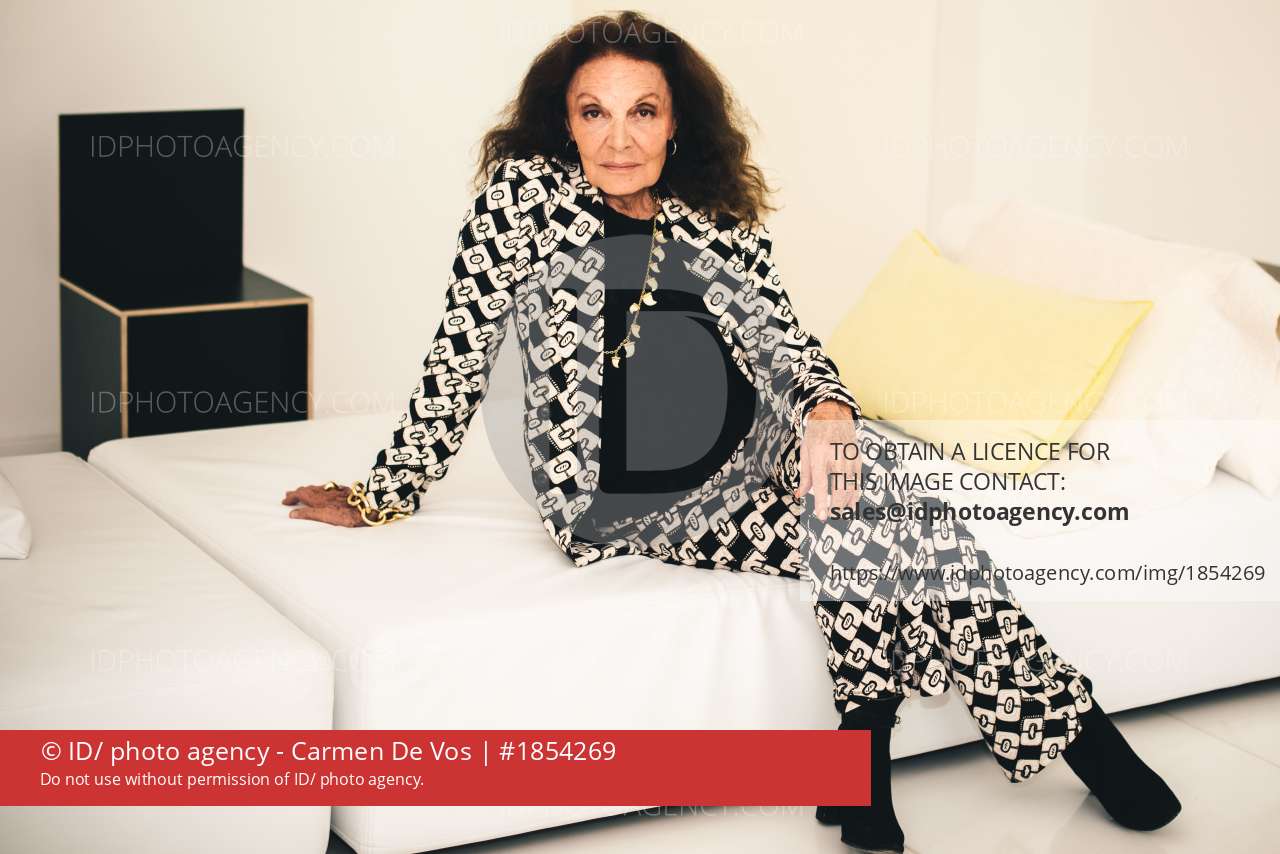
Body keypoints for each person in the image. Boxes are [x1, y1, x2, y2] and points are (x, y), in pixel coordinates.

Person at [282, 11, 1181, 852]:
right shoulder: (524, 202)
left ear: (677, 122)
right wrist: (385, 492)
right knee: (895, 522)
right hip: (626, 489)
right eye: (595, 113)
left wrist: (828, 411)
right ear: (565, 123)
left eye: (643, 111)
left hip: (751, 447)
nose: (620, 138)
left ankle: (862, 759)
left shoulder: (711, 215)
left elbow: (785, 344)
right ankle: (1065, 738)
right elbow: (461, 349)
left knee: (877, 501)